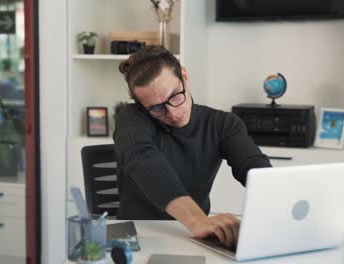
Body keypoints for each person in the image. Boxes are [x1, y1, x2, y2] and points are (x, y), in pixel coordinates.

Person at [113, 45, 272, 249]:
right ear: (142, 107)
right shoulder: (131, 118)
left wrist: (280, 202)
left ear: (185, 77)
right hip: (136, 234)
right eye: (156, 108)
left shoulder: (223, 124)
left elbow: (252, 165)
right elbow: (142, 160)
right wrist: (197, 220)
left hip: (194, 236)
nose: (172, 113)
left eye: (175, 96)